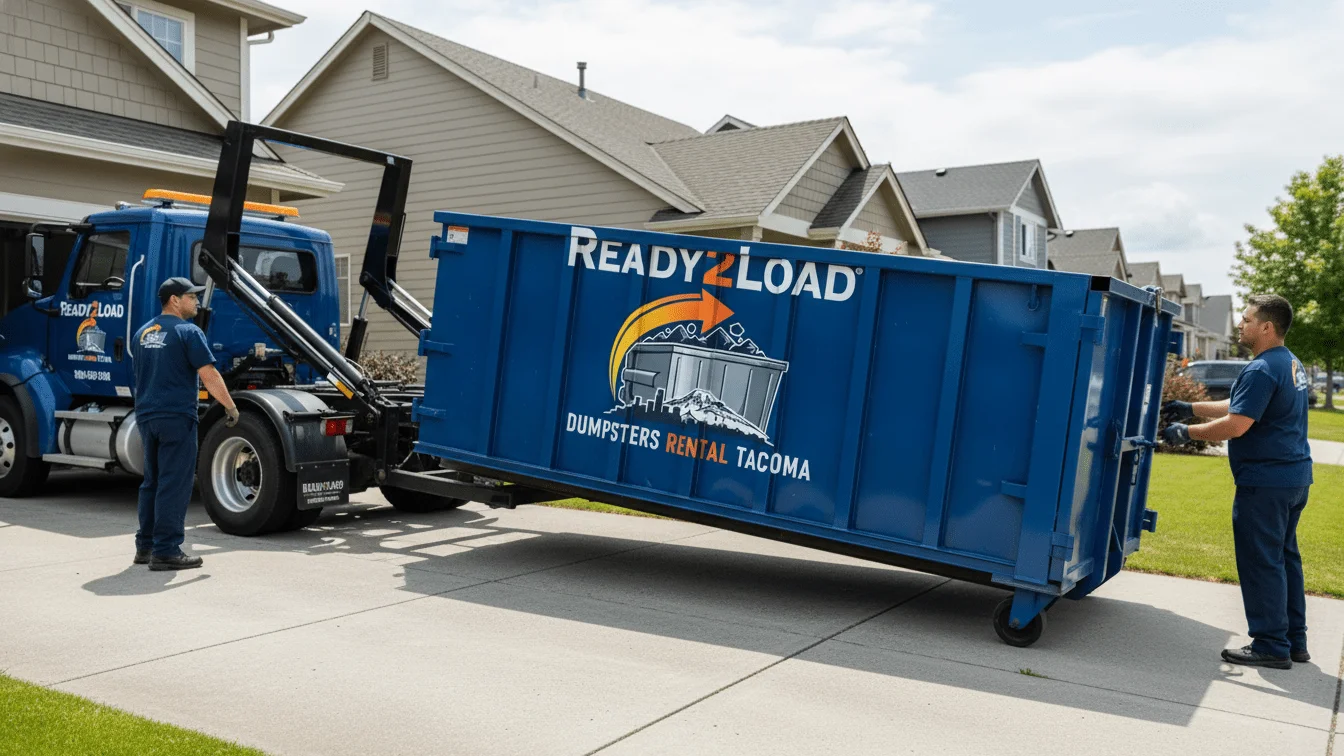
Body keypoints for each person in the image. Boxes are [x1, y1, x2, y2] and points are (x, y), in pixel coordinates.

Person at [1163, 294, 1313, 669]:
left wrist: (1186, 432)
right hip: (1293, 478)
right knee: (1284, 559)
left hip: (1266, 482)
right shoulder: (1288, 363)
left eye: (1246, 320)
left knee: (1261, 562)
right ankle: (1294, 641)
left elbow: (1236, 424)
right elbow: (1240, 404)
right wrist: (1191, 408)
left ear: (1266, 327)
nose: (1239, 325)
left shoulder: (1262, 368)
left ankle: (1270, 645)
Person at [131, 277, 240, 571]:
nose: (197, 301)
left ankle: (146, 547)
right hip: (176, 417)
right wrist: (229, 406)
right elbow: (209, 374)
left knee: (152, 482)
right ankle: (166, 551)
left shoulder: (141, 333)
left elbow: (139, 375)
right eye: (191, 296)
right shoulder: (188, 331)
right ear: (175, 300)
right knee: (174, 483)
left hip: (146, 416)